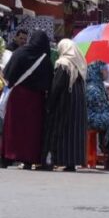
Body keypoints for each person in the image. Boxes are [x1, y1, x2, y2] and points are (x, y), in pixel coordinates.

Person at [1, 30, 53, 169]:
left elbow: (8, 75)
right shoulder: (45, 60)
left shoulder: (20, 53)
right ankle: (28, 159)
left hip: (18, 96)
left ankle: (7, 156)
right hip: (36, 100)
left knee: (13, 126)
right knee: (32, 130)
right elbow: (49, 82)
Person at [43, 39, 87, 171]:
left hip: (65, 102)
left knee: (64, 130)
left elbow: (57, 86)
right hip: (78, 103)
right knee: (75, 132)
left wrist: (49, 103)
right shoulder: (80, 64)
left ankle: (61, 159)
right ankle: (72, 162)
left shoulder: (63, 64)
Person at [86, 61, 109, 169]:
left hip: (97, 115)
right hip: (91, 118)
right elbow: (101, 108)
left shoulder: (99, 85)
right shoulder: (93, 88)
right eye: (104, 70)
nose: (107, 72)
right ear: (98, 71)